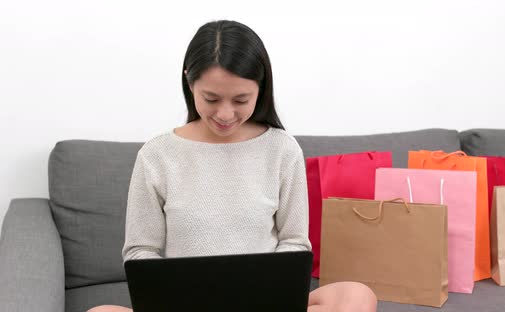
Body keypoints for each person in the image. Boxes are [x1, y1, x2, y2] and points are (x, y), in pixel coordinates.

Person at [88, 20, 377, 312]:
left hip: (263, 304)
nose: (225, 114)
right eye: (211, 99)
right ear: (189, 82)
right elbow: (141, 250)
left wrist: (269, 288)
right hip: (184, 305)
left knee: (356, 296)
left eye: (241, 99)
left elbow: (294, 242)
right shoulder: (157, 155)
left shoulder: (282, 149)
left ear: (260, 88)